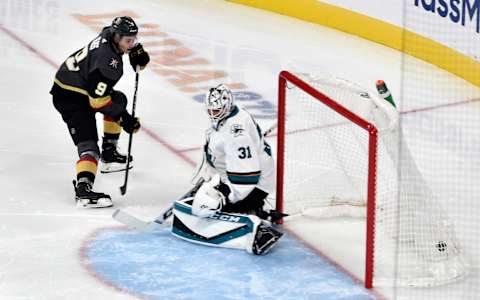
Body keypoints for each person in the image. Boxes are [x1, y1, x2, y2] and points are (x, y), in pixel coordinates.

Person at [171, 84, 285, 255]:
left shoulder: (236, 134)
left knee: (207, 207)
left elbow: (248, 175)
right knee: (206, 201)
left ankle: (257, 224)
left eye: (216, 111)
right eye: (210, 110)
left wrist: (226, 194)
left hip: (254, 185)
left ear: (226, 106)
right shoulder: (231, 117)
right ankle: (251, 209)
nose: (212, 114)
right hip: (235, 175)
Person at [50, 16, 150, 208]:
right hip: (70, 96)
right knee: (88, 147)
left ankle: (110, 153)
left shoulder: (109, 34)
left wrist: (137, 53)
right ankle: (83, 190)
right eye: (128, 41)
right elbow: (98, 102)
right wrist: (124, 119)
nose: (132, 44)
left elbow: (103, 95)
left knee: (118, 99)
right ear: (117, 37)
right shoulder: (108, 62)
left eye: (134, 39)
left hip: (79, 84)